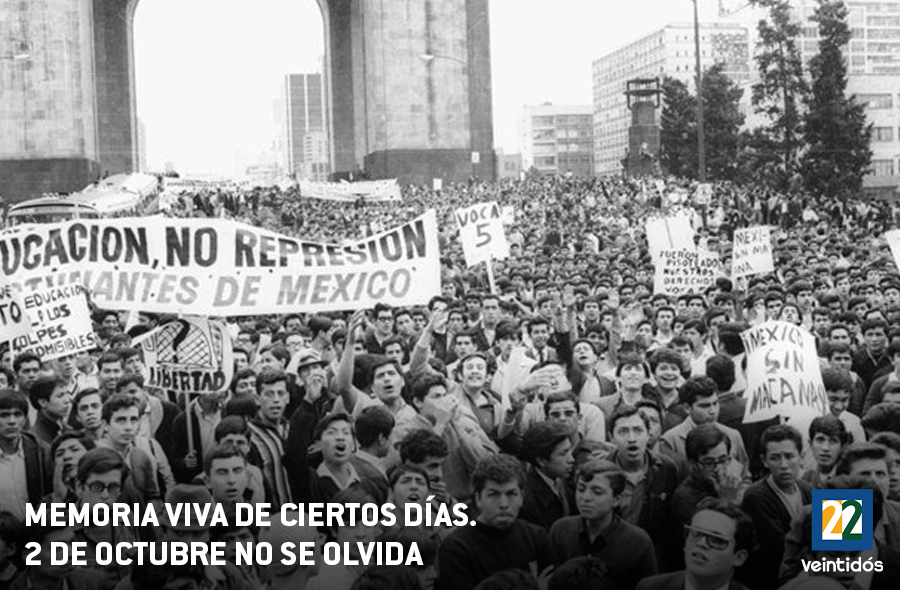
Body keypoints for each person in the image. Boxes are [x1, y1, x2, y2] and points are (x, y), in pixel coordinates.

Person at [436, 454, 554, 590]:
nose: (503, 504)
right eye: (493, 494)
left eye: (511, 494)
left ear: (522, 496)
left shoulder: (537, 538)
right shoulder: (457, 548)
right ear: (478, 498)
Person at [549, 459, 656, 590]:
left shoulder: (638, 542)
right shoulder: (561, 530)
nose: (586, 498)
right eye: (581, 489)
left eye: (597, 492)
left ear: (617, 499)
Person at [739, 425, 811, 590]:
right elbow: (778, 549)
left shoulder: (808, 489)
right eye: (775, 458)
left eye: (789, 456)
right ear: (764, 461)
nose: (783, 465)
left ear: (802, 456)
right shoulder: (756, 496)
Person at [637, 498, 756, 590]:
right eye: (696, 534)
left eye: (716, 540)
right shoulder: (650, 587)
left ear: (739, 557)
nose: (701, 543)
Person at [0, 390, 51, 521]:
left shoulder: (40, 451)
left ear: (24, 419)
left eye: (17, 415)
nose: (12, 421)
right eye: (4, 415)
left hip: (37, 532)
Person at [519, 421, 574, 530]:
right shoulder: (528, 501)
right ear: (541, 460)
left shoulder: (565, 480)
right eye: (563, 454)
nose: (571, 459)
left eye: (570, 451)